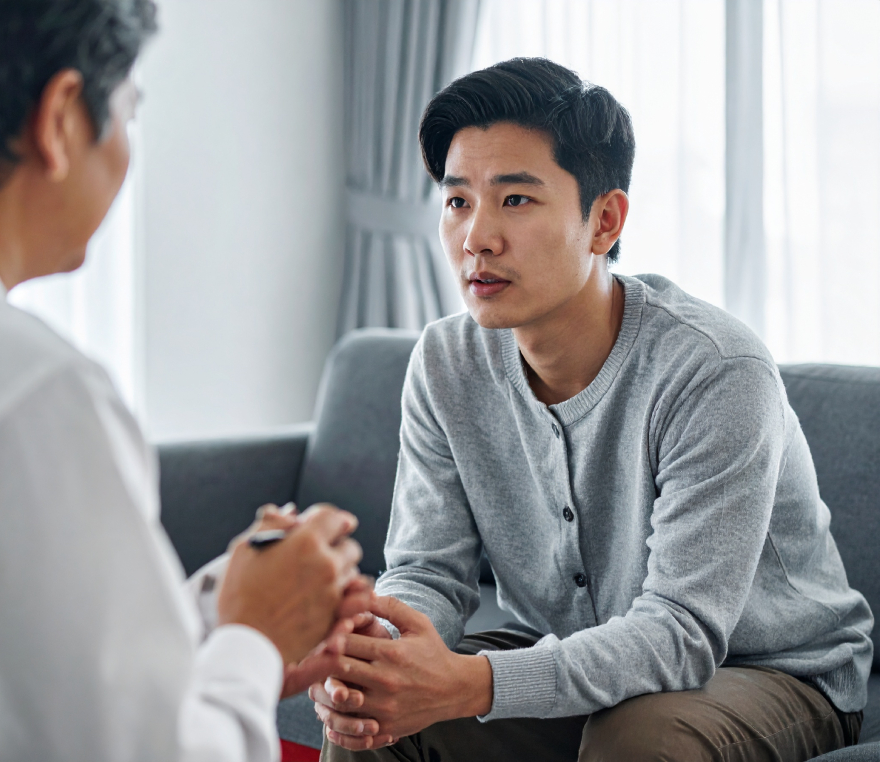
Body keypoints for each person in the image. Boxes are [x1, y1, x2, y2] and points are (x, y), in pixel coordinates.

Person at [313, 58, 874, 761]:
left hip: (768, 670)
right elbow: (427, 571)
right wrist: (383, 654)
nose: (476, 237)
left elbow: (679, 630)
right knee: (376, 711)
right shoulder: (444, 362)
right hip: (577, 653)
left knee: (639, 737)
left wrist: (476, 684)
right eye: (457, 201)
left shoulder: (714, 371)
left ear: (604, 220)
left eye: (515, 200)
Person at [0, 2, 370, 761]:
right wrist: (253, 640)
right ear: (58, 119)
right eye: (129, 112)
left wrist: (228, 616)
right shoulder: (25, 392)